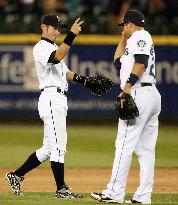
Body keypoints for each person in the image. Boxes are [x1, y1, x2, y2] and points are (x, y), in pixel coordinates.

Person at [5, 14, 88, 198]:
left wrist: (85, 81)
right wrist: (72, 35)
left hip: (57, 98)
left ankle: (16, 175)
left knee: (49, 149)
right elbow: (57, 58)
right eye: (55, 27)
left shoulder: (53, 46)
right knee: (59, 146)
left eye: (60, 28)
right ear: (44, 27)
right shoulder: (41, 47)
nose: (58, 30)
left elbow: (66, 73)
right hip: (51, 97)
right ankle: (61, 189)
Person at [91, 10, 161, 204]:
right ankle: (143, 195)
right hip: (148, 94)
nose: (123, 30)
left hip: (139, 92)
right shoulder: (133, 39)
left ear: (131, 24)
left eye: (124, 27)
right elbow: (117, 63)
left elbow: (141, 64)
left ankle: (114, 192)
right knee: (145, 150)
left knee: (123, 145)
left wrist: (127, 88)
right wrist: (122, 37)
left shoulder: (140, 36)